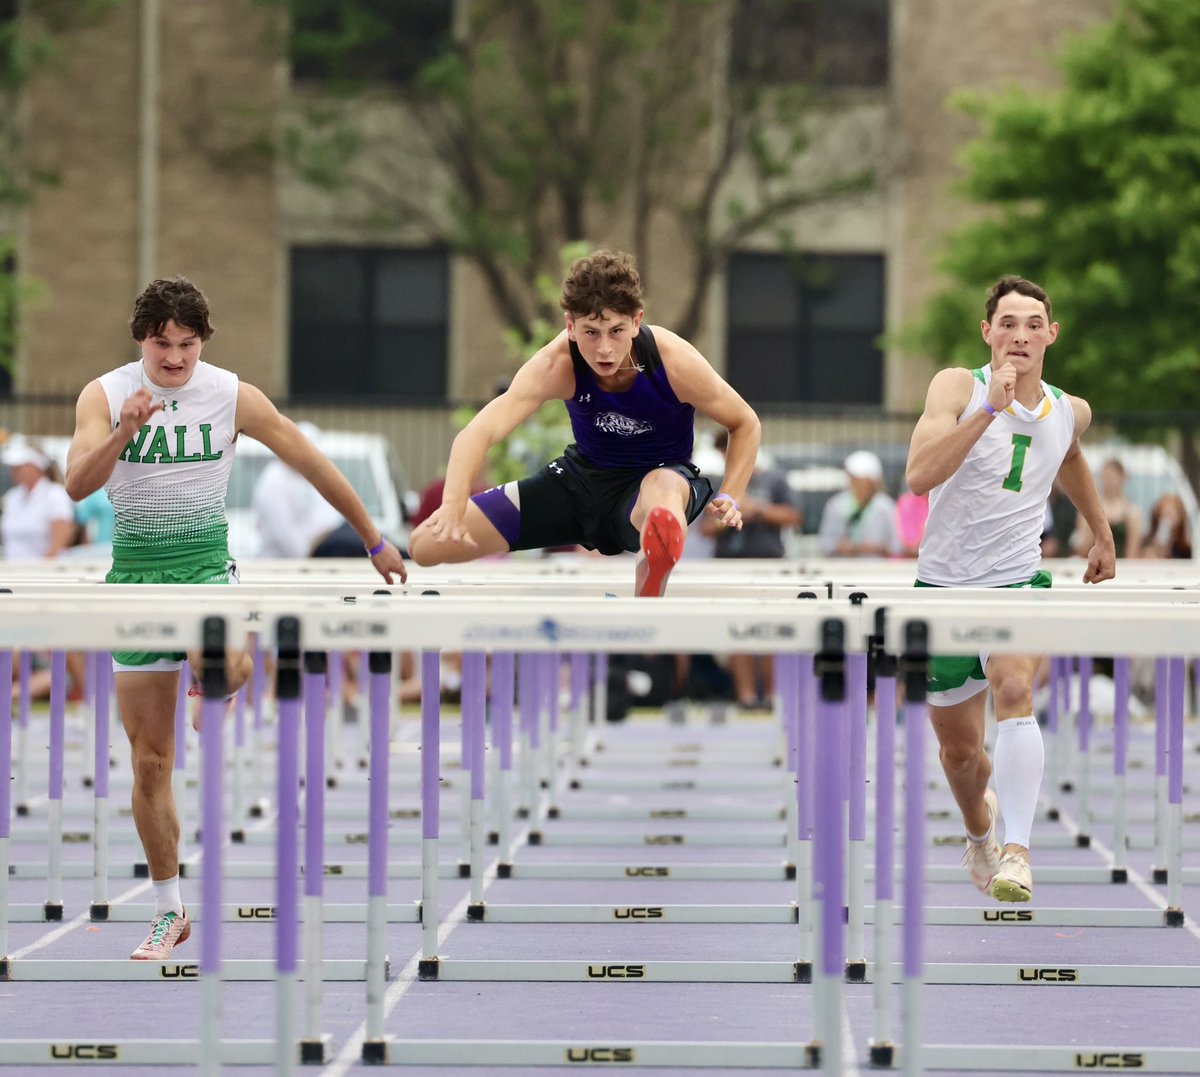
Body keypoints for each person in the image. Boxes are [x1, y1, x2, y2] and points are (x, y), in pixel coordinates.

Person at [65, 276, 406, 961]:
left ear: (203, 342)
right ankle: (170, 910)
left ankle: (211, 675)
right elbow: (77, 484)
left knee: (216, 658)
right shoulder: (104, 395)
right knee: (150, 761)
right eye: (162, 346)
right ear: (142, 340)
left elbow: (312, 463)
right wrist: (126, 432)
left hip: (204, 569)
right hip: (135, 576)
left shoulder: (230, 393)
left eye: (186, 345)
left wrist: (374, 538)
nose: (174, 360)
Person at [906, 274, 1115, 904]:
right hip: (943, 586)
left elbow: (1068, 452)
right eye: (1007, 324)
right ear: (987, 332)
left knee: (1017, 687)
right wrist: (989, 411)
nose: (1019, 335)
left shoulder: (1069, 408)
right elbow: (919, 476)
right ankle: (981, 829)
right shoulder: (955, 387)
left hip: (1019, 580)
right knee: (962, 757)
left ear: (1051, 334)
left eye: (1032, 324)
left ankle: (1018, 853)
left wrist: (1100, 532)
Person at [408, 249, 759, 595]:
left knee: (663, 491)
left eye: (616, 331)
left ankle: (654, 558)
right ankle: (652, 552)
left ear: (637, 322)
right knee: (424, 545)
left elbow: (744, 422)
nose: (604, 349)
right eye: (591, 332)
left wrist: (731, 493)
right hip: (578, 485)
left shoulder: (673, 361)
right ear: (570, 326)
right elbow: (479, 432)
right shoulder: (556, 363)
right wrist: (453, 505)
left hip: (653, 483)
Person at [700, 431, 801, 709]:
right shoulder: (719, 484)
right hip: (730, 567)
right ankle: (745, 696)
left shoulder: (775, 479)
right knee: (737, 633)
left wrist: (755, 510)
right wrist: (730, 517)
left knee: (771, 633)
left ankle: (771, 694)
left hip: (767, 565)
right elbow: (705, 529)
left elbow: (793, 516)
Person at [251, 422, 343, 557]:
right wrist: (306, 556)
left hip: (306, 561)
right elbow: (283, 532)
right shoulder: (274, 481)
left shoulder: (302, 477)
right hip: (279, 565)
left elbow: (327, 514)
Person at [817, 450, 900, 557]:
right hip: (842, 568)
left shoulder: (886, 507)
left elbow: (897, 546)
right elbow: (825, 542)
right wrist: (840, 546)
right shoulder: (836, 505)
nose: (859, 484)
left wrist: (877, 548)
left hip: (878, 569)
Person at [1071, 457, 1142, 560]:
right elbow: (1081, 548)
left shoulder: (1131, 512)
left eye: (1112, 477)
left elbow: (1133, 551)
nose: (1108, 481)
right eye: (1105, 476)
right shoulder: (1089, 510)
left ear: (1122, 478)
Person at [1141, 493, 1192, 559]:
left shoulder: (1186, 549)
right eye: (1164, 513)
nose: (1168, 517)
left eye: (1173, 512)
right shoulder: (1145, 544)